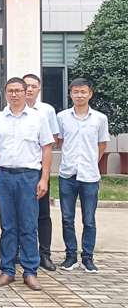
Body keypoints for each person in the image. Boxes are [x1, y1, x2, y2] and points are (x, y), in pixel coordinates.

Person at [0, 77, 54, 291]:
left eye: (18, 90)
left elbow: (46, 148)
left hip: (29, 177)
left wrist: (44, 178)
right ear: (5, 94)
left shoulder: (38, 117)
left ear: (26, 92)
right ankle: (7, 270)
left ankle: (30, 271)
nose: (14, 94)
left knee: (28, 225)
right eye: (10, 91)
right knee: (8, 226)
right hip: (3, 176)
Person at [57, 78, 109, 273]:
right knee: (67, 218)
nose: (79, 95)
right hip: (67, 175)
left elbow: (101, 145)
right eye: (76, 92)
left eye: (83, 92)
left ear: (90, 94)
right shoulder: (62, 117)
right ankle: (71, 255)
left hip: (89, 177)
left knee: (89, 219)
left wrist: (89, 162)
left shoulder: (100, 119)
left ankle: (87, 256)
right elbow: (60, 142)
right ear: (70, 94)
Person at [22, 74, 60, 272]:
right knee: (19, 214)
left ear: (39, 89)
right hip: (18, 171)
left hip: (38, 170)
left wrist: (45, 174)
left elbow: (51, 142)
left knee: (42, 213)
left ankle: (44, 254)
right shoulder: (8, 111)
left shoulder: (47, 110)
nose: (29, 89)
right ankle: (20, 252)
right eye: (26, 86)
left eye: (33, 86)